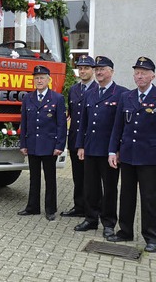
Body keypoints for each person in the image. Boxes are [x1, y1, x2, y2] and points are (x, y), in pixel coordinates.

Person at [73, 56, 127, 238]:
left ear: (111, 71)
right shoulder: (90, 93)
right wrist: (80, 145)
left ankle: (109, 222)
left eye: (102, 69)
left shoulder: (121, 94)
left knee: (110, 188)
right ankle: (91, 218)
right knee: (90, 186)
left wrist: (117, 149)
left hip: (109, 151)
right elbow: (83, 124)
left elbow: (121, 126)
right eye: (96, 69)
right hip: (90, 148)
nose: (98, 72)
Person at [107, 56, 156, 253]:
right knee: (126, 195)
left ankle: (151, 236)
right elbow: (117, 127)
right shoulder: (126, 97)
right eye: (137, 73)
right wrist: (112, 150)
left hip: (149, 157)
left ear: (152, 75)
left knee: (149, 198)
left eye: (143, 73)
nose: (139, 76)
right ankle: (125, 231)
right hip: (127, 155)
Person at [17, 65, 67, 221]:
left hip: (49, 146)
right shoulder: (28, 98)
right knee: (34, 178)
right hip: (32, 144)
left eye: (42, 78)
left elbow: (61, 125)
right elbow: (24, 123)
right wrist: (23, 144)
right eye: (36, 78)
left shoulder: (57, 98)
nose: (39, 81)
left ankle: (50, 209)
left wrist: (59, 146)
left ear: (48, 80)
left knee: (50, 179)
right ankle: (32, 207)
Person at [62, 55, 98, 218]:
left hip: (91, 142)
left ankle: (93, 210)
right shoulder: (73, 90)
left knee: (91, 179)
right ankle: (79, 207)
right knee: (77, 176)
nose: (83, 71)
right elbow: (72, 116)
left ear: (93, 70)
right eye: (80, 68)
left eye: (86, 68)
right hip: (75, 140)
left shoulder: (98, 90)